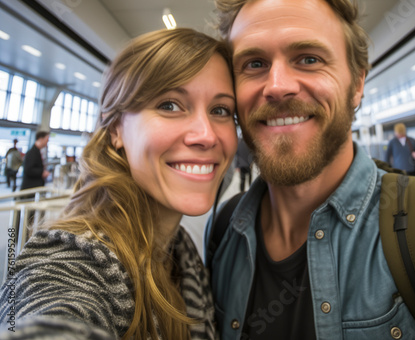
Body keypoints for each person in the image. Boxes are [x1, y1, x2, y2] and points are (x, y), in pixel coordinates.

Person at [206, 0, 415, 339]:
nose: (277, 86)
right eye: (254, 64)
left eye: (308, 59)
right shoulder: (223, 231)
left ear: (357, 83)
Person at [0, 28, 238, 340]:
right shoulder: (75, 257)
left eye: (220, 110)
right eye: (170, 105)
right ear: (116, 129)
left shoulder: (179, 250)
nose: (206, 135)